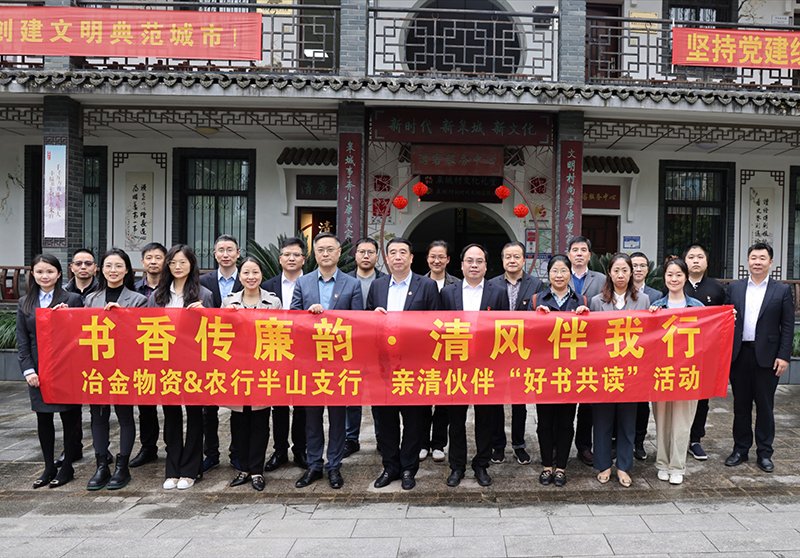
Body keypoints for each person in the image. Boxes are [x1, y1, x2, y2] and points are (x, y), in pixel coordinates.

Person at [367, 238, 440, 490]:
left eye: (402, 252)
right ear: (386, 259)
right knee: (386, 420)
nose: (397, 257)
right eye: (392, 253)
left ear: (411, 258)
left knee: (413, 421)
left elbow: (436, 325)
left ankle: (409, 468)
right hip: (384, 367)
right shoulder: (377, 286)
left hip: (415, 367)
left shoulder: (427, 285)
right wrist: (372, 318)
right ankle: (390, 467)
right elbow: (365, 323)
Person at [290, 232, 362, 489]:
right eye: (320, 249)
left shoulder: (352, 284)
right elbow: (293, 319)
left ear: (339, 253)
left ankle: (334, 466)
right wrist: (308, 315)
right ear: (314, 254)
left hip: (339, 363)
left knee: (337, 417)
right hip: (311, 362)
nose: (325, 254)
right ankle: (314, 465)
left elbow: (358, 324)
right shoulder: (304, 282)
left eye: (330, 249)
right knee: (312, 417)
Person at [441, 243, 507, 487]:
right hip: (456, 366)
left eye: (479, 261)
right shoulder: (447, 293)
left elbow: (504, 328)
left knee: (485, 419)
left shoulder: (497, 292)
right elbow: (438, 328)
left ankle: (481, 465)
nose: (474, 265)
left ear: (486, 266)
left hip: (486, 367)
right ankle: (456, 466)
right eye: (469, 261)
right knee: (456, 419)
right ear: (461, 265)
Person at [148, 244, 214, 490]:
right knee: (171, 416)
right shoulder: (157, 296)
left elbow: (215, 331)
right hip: (166, 364)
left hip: (195, 364)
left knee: (195, 416)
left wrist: (205, 314)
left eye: (182, 262)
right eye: (173, 262)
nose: (177, 267)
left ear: (191, 265)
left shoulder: (204, 294)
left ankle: (191, 470)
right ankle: (172, 469)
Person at [725, 243, 793, 473]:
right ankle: (740, 449)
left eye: (762, 258)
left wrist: (784, 356)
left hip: (768, 357)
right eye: (753, 257)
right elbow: (725, 320)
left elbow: (787, 326)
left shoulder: (781, 290)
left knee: (765, 406)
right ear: (748, 261)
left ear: (770, 263)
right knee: (741, 406)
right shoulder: (735, 288)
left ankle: (764, 453)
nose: (757, 262)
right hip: (740, 354)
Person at [16, 254, 83, 488]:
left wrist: (68, 316)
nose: (45, 276)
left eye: (50, 271)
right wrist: (28, 370)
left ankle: (67, 467)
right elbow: (23, 341)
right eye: (40, 272)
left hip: (66, 368)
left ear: (59, 273)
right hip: (38, 370)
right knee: (43, 418)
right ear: (33, 274)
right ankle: (48, 467)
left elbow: (81, 335)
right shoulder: (25, 302)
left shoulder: (72, 299)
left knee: (69, 417)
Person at [84, 248, 148, 491]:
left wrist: (124, 316)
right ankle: (102, 465)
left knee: (124, 415)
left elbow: (141, 336)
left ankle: (122, 466)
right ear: (101, 270)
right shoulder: (91, 299)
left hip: (124, 367)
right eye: (109, 266)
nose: (113, 270)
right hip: (98, 367)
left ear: (127, 270)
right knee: (98, 416)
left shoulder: (138, 300)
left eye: (119, 266)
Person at [589, 253, 650, 487]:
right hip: (604, 371)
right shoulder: (597, 301)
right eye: (616, 270)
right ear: (609, 273)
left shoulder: (643, 300)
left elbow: (649, 334)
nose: (621, 275)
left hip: (632, 373)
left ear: (631, 273)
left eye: (625, 270)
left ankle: (624, 467)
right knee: (602, 420)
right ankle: (604, 464)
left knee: (627, 421)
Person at [222, 257, 281, 491]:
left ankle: (257, 470)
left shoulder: (273, 302)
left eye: (255, 272)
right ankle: (243, 468)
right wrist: (227, 316)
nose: (250, 277)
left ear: (261, 275)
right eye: (246, 272)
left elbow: (280, 333)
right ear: (239, 276)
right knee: (239, 422)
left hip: (262, 371)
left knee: (259, 422)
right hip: (237, 371)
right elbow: (220, 335)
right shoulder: (229, 301)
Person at [531, 255, 590, 487]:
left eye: (563, 271)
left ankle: (561, 468)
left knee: (566, 422)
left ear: (569, 274)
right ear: (548, 274)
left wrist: (587, 316)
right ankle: (547, 466)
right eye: (554, 271)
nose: (559, 275)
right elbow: (524, 333)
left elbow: (590, 338)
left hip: (571, 373)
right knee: (544, 422)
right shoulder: (537, 299)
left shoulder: (581, 300)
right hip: (544, 372)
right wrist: (536, 317)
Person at [647, 257, 704, 485]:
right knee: (662, 421)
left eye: (679, 275)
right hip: (661, 373)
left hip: (688, 374)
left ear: (686, 277)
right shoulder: (656, 307)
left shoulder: (698, 307)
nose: (674, 279)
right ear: (664, 277)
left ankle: (678, 466)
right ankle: (662, 462)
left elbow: (708, 337)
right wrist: (650, 317)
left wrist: (728, 319)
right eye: (670, 275)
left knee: (682, 422)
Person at [488, 241, 544, 465]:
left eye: (516, 256)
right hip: (496, 351)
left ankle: (519, 444)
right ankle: (498, 445)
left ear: (524, 260)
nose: (512, 260)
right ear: (502, 260)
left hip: (523, 352)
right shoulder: (491, 284)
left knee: (519, 401)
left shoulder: (536, 284)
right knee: (495, 401)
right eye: (508, 256)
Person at [261, 237, 308, 472]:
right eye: (287, 255)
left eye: (296, 255)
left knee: (302, 405)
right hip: (275, 350)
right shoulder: (267, 286)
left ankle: (300, 450)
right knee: (278, 404)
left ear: (303, 259)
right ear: (280, 259)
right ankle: (280, 450)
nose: (291, 258)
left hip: (305, 352)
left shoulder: (312, 284)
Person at [199, 235, 244, 473]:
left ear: (238, 253)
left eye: (230, 250)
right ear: (214, 254)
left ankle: (236, 453)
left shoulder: (248, 278)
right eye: (221, 250)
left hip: (238, 352)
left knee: (238, 407)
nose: (225, 254)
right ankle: (211, 453)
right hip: (208, 351)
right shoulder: (202, 282)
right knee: (208, 408)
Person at [683, 243, 726, 461]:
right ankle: (678, 438)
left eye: (700, 257)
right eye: (691, 257)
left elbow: (725, 319)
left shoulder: (716, 288)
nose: (696, 260)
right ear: (685, 262)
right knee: (679, 395)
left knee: (702, 398)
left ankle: (695, 439)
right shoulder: (675, 283)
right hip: (679, 354)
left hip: (706, 353)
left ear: (707, 263)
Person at [344, 237, 385, 459]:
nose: (366, 256)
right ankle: (351, 439)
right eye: (362, 252)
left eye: (370, 252)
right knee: (352, 395)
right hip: (351, 347)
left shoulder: (386, 281)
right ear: (356, 255)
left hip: (379, 348)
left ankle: (382, 438)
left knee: (379, 395)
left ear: (377, 256)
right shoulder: (344, 280)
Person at [567, 236, 604, 467]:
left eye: (583, 250)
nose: (579, 253)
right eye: (575, 250)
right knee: (564, 398)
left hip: (592, 349)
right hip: (565, 348)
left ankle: (584, 446)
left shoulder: (601, 279)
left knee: (588, 401)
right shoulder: (559, 275)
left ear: (590, 255)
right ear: (569, 254)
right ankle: (559, 444)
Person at [130, 242, 168, 468]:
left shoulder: (173, 288)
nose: (154, 262)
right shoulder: (133, 290)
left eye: (158, 257)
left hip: (170, 353)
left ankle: (173, 446)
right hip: (142, 354)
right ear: (142, 261)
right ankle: (148, 448)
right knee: (145, 404)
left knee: (172, 403)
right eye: (149, 258)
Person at [420, 240, 456, 462]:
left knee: (445, 400)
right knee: (423, 399)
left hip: (450, 350)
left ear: (448, 260)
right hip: (424, 351)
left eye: (441, 256)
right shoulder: (417, 283)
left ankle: (439, 444)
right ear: (427, 259)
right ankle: (423, 442)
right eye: (433, 256)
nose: (437, 260)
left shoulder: (457, 284)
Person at [629, 252, 663, 462]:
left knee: (642, 404)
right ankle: (617, 441)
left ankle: (639, 442)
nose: (638, 269)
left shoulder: (656, 295)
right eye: (634, 265)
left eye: (642, 265)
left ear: (648, 269)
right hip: (621, 356)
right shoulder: (619, 293)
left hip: (645, 357)